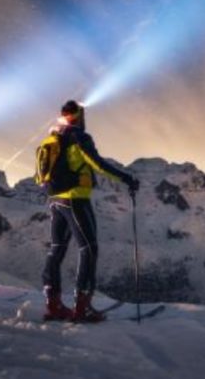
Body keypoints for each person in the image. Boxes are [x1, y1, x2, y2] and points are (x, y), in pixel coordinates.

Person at [37, 100, 139, 322]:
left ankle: (52, 304)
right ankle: (82, 307)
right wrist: (126, 178)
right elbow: (98, 165)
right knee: (88, 248)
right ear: (80, 116)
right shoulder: (79, 138)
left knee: (56, 249)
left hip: (55, 199)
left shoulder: (51, 139)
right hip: (75, 199)